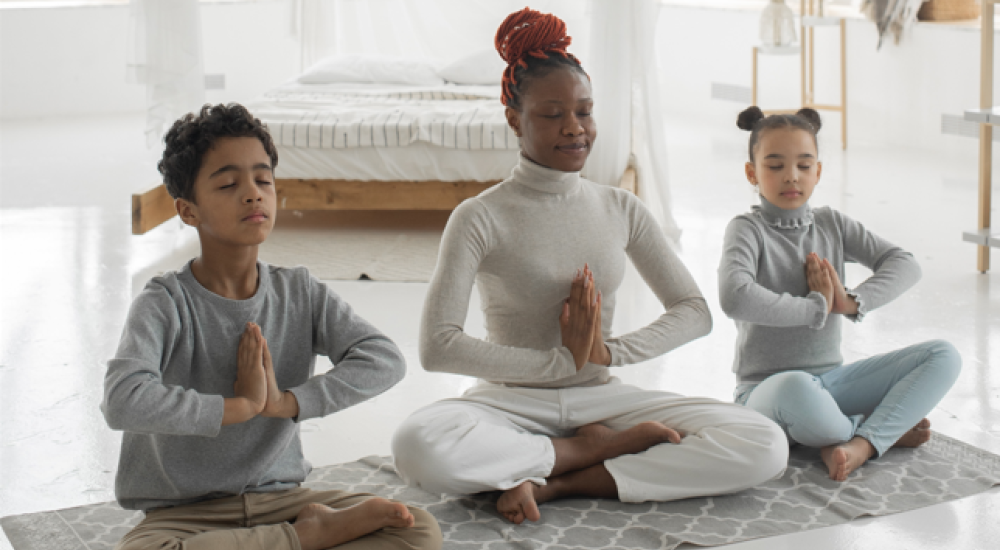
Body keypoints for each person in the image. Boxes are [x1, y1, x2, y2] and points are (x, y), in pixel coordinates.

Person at [391, 8, 788, 526]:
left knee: (765, 443)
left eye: (584, 110)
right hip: (511, 404)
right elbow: (437, 345)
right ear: (515, 119)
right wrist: (557, 364)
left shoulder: (620, 207)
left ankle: (556, 481)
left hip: (602, 400)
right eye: (552, 114)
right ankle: (584, 453)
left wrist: (605, 352)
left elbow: (695, 311)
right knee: (417, 444)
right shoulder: (479, 216)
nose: (574, 127)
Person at [101, 103, 441, 550]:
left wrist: (285, 402)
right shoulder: (163, 303)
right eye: (228, 183)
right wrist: (238, 407)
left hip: (283, 499)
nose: (252, 193)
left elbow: (384, 358)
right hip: (184, 517)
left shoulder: (299, 291)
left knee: (416, 529)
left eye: (263, 180)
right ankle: (306, 539)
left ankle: (295, 535)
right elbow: (122, 400)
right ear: (187, 211)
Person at [718, 106, 962, 481]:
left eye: (803, 164)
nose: (791, 176)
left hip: (831, 386)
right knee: (796, 385)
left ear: (818, 171)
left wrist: (850, 302)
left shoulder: (832, 223)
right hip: (765, 392)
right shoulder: (746, 230)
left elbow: (905, 263)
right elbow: (735, 297)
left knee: (944, 355)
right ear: (752, 172)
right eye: (775, 165)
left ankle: (858, 444)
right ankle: (879, 431)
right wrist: (816, 307)